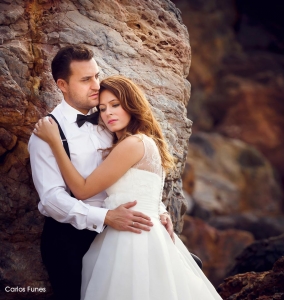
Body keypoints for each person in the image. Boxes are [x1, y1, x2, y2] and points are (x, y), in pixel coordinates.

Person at [33, 75, 223, 300]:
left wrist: (55, 142)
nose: (108, 113)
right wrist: (160, 210)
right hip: (136, 230)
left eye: (115, 105)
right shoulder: (141, 142)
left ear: (132, 105)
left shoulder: (132, 144)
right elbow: (142, 189)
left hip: (130, 238)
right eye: (102, 108)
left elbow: (82, 190)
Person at [28, 45, 173, 300]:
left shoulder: (110, 119)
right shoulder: (47, 133)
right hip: (70, 240)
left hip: (118, 236)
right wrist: (104, 216)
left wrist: (158, 210)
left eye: (96, 75)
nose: (96, 85)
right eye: (85, 80)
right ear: (62, 85)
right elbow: (51, 199)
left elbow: (131, 175)